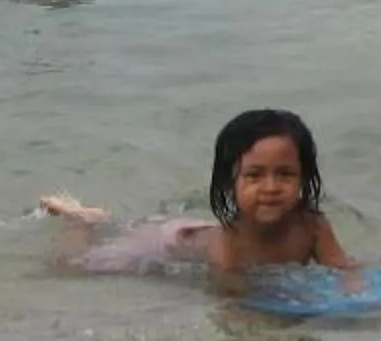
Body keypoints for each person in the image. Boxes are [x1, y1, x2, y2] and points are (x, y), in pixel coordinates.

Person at [42, 108, 355, 281]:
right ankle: (83, 222)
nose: (271, 188)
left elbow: (343, 268)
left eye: (285, 174)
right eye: (254, 176)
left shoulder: (313, 225)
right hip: (167, 244)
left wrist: (358, 291)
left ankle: (102, 220)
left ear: (304, 178)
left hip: (195, 228)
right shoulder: (232, 238)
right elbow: (231, 293)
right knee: (71, 268)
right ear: (229, 182)